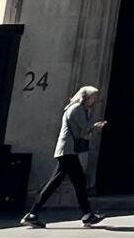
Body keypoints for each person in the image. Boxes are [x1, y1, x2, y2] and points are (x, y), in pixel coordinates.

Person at [22, 86, 106, 227]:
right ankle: (86, 214)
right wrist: (95, 127)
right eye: (93, 97)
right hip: (68, 151)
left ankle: (34, 213)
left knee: (61, 182)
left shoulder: (75, 108)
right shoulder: (77, 109)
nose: (95, 100)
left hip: (66, 151)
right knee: (77, 182)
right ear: (86, 97)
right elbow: (83, 130)